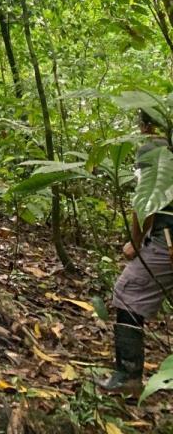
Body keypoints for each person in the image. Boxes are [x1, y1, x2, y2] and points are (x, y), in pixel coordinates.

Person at [100, 110, 173, 392]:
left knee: (127, 294)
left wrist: (135, 241)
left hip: (166, 240)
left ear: (146, 126)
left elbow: (147, 200)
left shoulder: (154, 149)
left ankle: (128, 377)